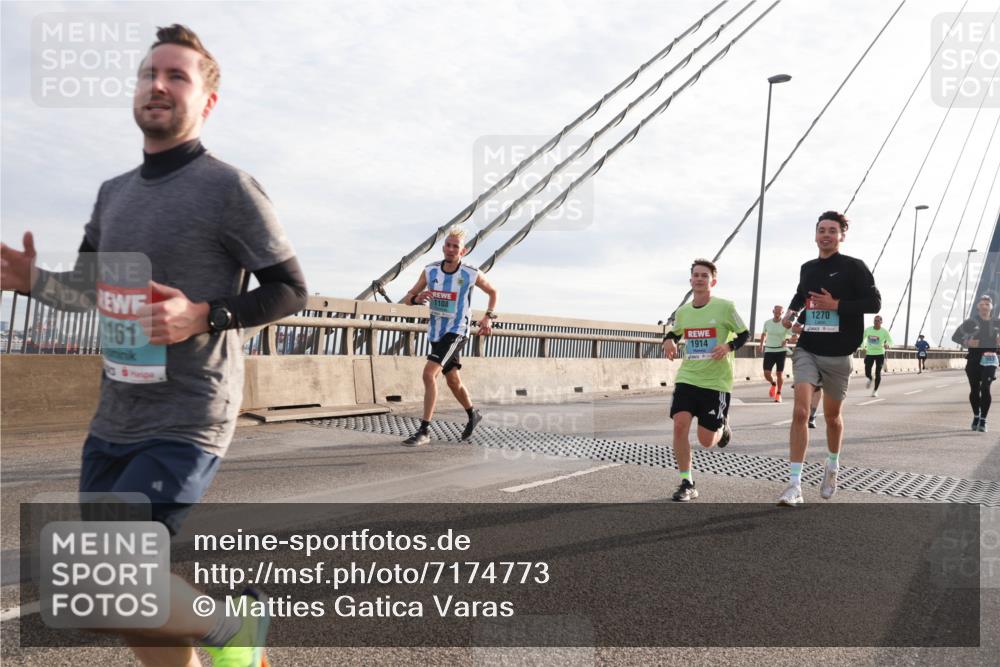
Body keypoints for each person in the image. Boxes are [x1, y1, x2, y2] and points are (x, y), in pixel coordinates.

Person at [1, 24, 307, 666]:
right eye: (149, 74)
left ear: (207, 102)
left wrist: (203, 315)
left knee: (102, 580)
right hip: (115, 417)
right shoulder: (113, 194)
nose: (158, 85)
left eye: (177, 76)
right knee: (128, 598)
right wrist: (33, 282)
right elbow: (91, 290)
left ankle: (234, 627)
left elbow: (289, 289)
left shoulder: (230, 188)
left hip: (187, 415)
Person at [778, 211, 881, 506]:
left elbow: (874, 303)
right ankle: (794, 485)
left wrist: (837, 305)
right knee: (800, 412)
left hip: (839, 353)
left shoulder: (854, 267)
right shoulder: (807, 267)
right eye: (821, 230)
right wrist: (791, 312)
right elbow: (801, 295)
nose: (826, 235)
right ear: (815, 234)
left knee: (833, 418)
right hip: (808, 348)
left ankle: (832, 465)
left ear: (841, 236)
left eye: (832, 231)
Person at [401, 225, 498, 446]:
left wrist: (489, 317)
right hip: (436, 333)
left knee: (429, 374)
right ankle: (473, 414)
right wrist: (417, 299)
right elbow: (408, 297)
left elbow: (493, 292)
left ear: (462, 252)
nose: (451, 249)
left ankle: (424, 430)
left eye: (456, 247)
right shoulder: (431, 271)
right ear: (443, 247)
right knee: (453, 381)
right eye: (448, 245)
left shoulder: (471, 273)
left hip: (457, 331)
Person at [663, 259, 749, 501]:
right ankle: (687, 482)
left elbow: (744, 333)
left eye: (704, 275)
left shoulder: (725, 307)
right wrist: (668, 340)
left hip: (715, 382)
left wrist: (729, 345)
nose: (699, 279)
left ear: (713, 281)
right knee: (680, 425)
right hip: (688, 377)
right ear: (690, 281)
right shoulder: (683, 312)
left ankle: (723, 426)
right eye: (696, 275)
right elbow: (675, 331)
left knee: (707, 441)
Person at [951, 295, 1000, 432]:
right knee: (974, 390)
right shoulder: (970, 322)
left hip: (990, 359)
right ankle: (976, 415)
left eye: (987, 304)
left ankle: (983, 420)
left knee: (985, 388)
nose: (984, 306)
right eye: (982, 304)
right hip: (973, 359)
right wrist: (967, 342)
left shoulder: (997, 322)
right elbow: (955, 337)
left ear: (991, 307)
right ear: (978, 306)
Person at [759, 304, 792, 402]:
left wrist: (786, 340)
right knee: (766, 373)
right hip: (769, 350)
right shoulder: (767, 323)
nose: (778, 313)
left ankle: (779, 393)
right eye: (776, 311)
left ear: (782, 313)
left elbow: (791, 335)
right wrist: (761, 345)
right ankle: (773, 384)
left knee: (779, 373)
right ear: (773, 311)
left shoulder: (785, 323)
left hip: (781, 350)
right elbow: (764, 334)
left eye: (780, 312)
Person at [861, 315, 893, 397]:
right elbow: (862, 338)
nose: (876, 322)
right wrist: (863, 347)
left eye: (878, 321)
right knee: (867, 371)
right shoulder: (868, 330)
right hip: (869, 353)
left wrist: (888, 345)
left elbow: (891, 341)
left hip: (880, 353)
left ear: (881, 322)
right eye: (875, 320)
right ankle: (870, 378)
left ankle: (875, 391)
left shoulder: (884, 331)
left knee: (877, 372)